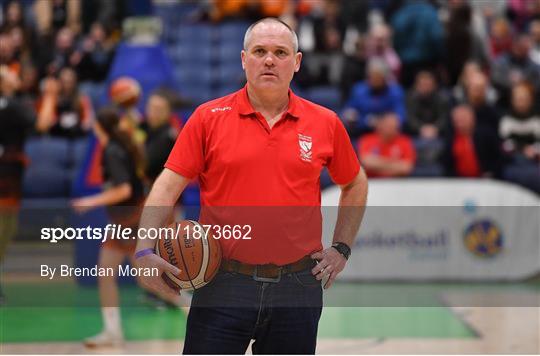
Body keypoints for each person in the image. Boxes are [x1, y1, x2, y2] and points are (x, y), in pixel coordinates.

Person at [134, 18, 367, 354]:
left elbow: (355, 183)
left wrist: (341, 247)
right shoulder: (207, 117)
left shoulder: (325, 122)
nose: (269, 60)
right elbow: (168, 184)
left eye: (280, 52)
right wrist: (144, 247)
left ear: (297, 62)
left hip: (298, 285)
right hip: (222, 282)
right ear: (244, 59)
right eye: (260, 51)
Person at [71, 107, 179, 347]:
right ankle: (112, 331)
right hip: (126, 219)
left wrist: (90, 201)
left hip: (131, 219)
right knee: (112, 275)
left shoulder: (112, 151)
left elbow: (124, 190)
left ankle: (191, 306)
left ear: (99, 126)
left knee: (135, 278)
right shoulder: (117, 147)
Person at [358, 112, 416, 178]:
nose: (394, 129)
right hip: (372, 182)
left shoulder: (405, 141)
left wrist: (377, 165)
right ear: (381, 125)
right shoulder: (367, 140)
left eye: (396, 127)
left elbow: (407, 167)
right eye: (390, 126)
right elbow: (366, 162)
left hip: (397, 183)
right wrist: (395, 164)